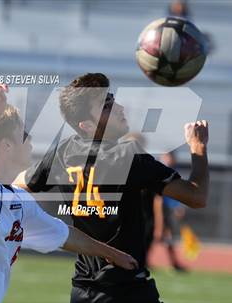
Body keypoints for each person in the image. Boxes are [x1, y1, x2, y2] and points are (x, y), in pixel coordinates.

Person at [15, 73, 209, 303]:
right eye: (105, 106)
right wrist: (198, 148)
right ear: (87, 125)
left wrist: (45, 221)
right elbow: (196, 196)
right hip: (126, 290)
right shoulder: (127, 155)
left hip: (82, 291)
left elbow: (19, 185)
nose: (118, 107)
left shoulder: (64, 151)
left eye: (112, 98)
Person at [0, 84, 138, 303]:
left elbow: (64, 234)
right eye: (23, 134)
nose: (30, 139)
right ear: (6, 146)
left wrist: (113, 253)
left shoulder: (19, 200)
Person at [152, 152, 188, 272]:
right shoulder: (157, 170)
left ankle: (174, 263)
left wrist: (177, 206)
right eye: (167, 156)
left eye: (170, 156)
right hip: (155, 210)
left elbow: (174, 194)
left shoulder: (172, 173)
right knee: (154, 236)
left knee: (167, 237)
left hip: (166, 210)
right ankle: (143, 260)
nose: (169, 159)